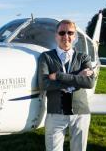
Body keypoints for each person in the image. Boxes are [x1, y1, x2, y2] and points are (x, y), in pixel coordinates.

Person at [38, 20, 95, 151]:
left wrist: (58, 76)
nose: (66, 36)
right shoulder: (46, 57)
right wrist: (78, 77)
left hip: (80, 113)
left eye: (70, 33)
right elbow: (44, 84)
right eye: (62, 32)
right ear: (56, 35)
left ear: (74, 36)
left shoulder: (83, 57)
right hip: (55, 112)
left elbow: (89, 83)